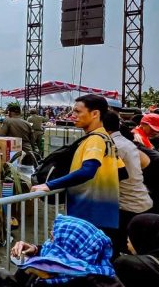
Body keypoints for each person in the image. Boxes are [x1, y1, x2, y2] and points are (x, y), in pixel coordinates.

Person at [32, 95, 122, 240]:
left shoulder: (95, 139)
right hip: (105, 212)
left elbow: (87, 171)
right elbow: (122, 172)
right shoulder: (106, 138)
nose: (73, 115)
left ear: (95, 114)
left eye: (78, 111)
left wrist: (49, 185)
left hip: (88, 214)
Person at [102, 112, 152, 254]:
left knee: (120, 248)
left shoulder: (113, 145)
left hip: (128, 206)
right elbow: (145, 162)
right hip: (140, 201)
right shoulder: (125, 142)